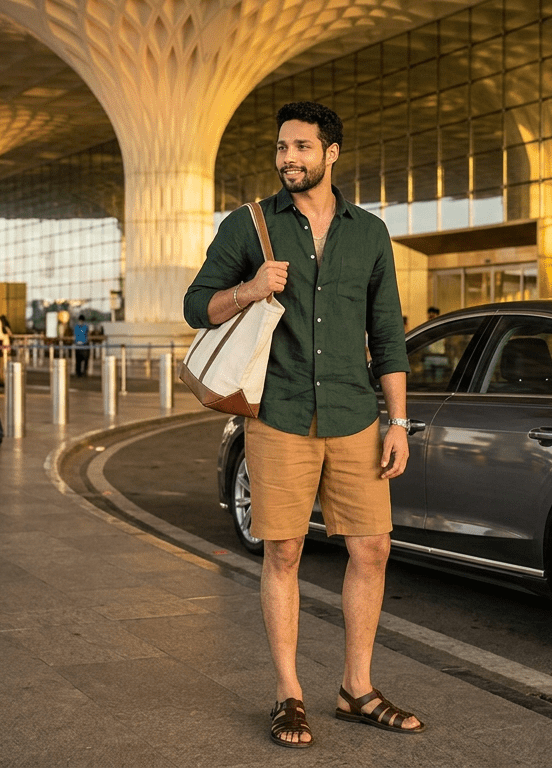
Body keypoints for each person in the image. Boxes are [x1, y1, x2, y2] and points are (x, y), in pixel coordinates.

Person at [183, 101, 420, 748]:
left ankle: (356, 689)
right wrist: (250, 289)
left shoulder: (368, 233)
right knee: (284, 550)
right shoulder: (249, 225)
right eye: (283, 147)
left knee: (372, 547)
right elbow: (196, 305)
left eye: (302, 147)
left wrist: (398, 419)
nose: (289, 158)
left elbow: (387, 333)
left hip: (352, 414)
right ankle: (289, 694)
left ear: (332, 153)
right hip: (280, 413)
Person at [72, 312, 90, 377]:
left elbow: (74, 334)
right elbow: (87, 333)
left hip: (77, 345)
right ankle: (84, 372)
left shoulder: (76, 326)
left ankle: (78, 372)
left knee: (78, 360)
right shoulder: (86, 326)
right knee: (85, 359)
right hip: (84, 344)